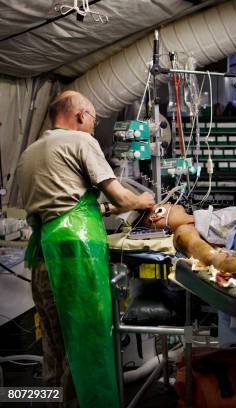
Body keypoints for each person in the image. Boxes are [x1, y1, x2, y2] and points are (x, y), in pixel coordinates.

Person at [15, 91, 155, 408]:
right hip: (75, 259)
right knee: (86, 344)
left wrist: (105, 211)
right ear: (81, 115)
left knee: (55, 343)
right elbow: (123, 199)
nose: (93, 126)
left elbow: (64, 207)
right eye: (93, 119)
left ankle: (55, 402)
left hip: (43, 258)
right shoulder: (82, 142)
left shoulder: (29, 154)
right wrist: (144, 202)